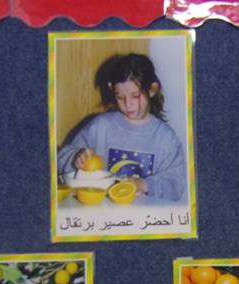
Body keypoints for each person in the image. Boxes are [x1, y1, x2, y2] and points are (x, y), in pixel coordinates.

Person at [57, 53, 186, 202]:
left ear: (152, 89)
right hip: (101, 212)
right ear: (112, 89)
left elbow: (176, 185)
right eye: (120, 97)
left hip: (145, 215)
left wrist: (144, 184)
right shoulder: (100, 127)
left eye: (135, 96)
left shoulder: (166, 138)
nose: (127, 104)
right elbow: (60, 159)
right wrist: (75, 158)